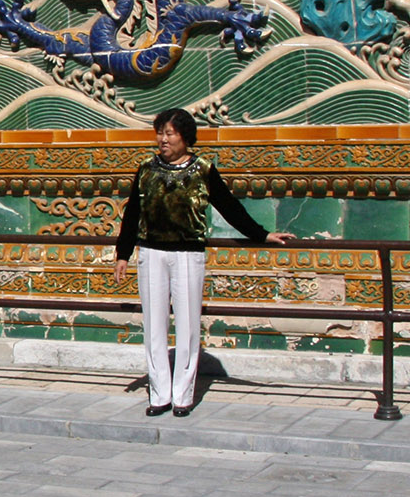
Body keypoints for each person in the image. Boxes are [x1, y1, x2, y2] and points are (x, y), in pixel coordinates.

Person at [112, 107, 294, 417]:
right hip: (152, 253)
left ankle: (183, 395)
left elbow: (229, 207)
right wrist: (123, 253)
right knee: (154, 324)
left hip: (188, 253)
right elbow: (132, 214)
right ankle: (159, 394)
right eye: (160, 133)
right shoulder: (146, 170)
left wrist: (261, 235)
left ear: (185, 137)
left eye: (169, 134)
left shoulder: (202, 170)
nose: (163, 139)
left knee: (187, 324)